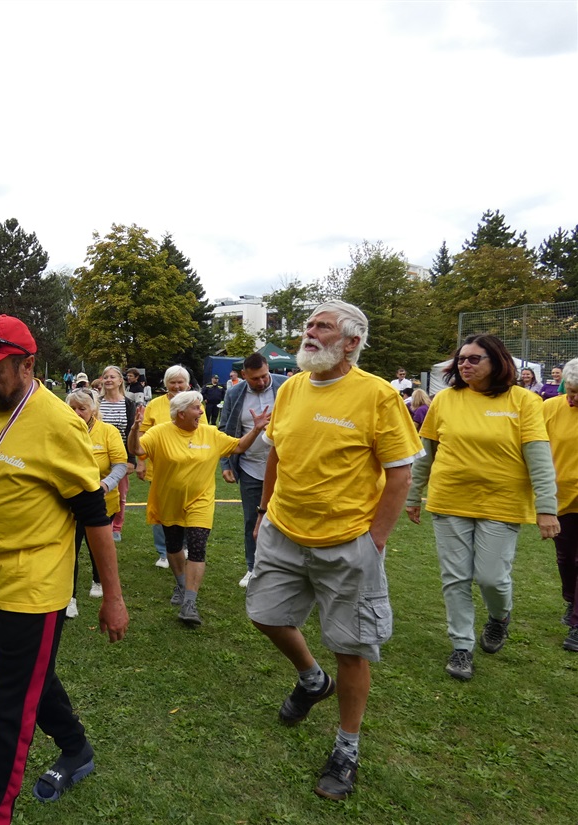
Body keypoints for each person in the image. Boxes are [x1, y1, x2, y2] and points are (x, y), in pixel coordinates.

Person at [0, 314, 128, 825]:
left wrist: (114, 597)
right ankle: (76, 747)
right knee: (32, 676)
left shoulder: (60, 424)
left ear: (28, 365)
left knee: (10, 704)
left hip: (36, 586)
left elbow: (93, 515)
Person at [247, 300, 422, 800]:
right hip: (283, 531)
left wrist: (375, 540)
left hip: (348, 543)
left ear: (351, 342)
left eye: (322, 326)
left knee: (351, 648)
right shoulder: (291, 388)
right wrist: (264, 511)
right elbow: (277, 453)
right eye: (308, 324)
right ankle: (311, 679)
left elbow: (400, 473)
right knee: (264, 615)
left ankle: (347, 747)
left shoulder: (378, 396)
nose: (309, 332)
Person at [408, 335, 559, 681]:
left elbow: (539, 458)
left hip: (502, 503)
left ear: (497, 362)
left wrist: (547, 508)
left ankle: (499, 617)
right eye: (461, 359)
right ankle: (462, 646)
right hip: (449, 499)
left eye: (474, 359)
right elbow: (425, 454)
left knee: (492, 577)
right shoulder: (445, 400)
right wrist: (414, 495)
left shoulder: (523, 400)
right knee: (455, 578)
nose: (465, 364)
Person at [129, 390, 269, 625]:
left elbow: (237, 446)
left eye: (201, 407)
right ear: (181, 413)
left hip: (201, 501)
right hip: (169, 501)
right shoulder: (160, 432)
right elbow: (137, 450)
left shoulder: (210, 433)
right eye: (196, 408)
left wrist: (255, 429)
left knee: (197, 546)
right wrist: (135, 428)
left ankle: (189, 604)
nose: (202, 412)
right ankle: (181, 584)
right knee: (174, 545)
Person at [219, 353, 288, 587]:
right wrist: (226, 463)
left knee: (286, 518)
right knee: (252, 519)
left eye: (264, 376)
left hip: (285, 467)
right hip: (250, 466)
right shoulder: (234, 393)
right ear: (244, 375)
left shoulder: (286, 386)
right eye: (255, 378)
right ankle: (253, 567)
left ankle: (283, 568)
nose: (261, 381)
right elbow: (225, 429)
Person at [65, 388, 127, 617]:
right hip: (69, 502)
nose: (77, 413)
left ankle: (98, 579)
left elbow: (120, 464)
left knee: (97, 545)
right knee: (70, 549)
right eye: (72, 408)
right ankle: (70, 598)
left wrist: (105, 485)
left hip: (102, 501)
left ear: (93, 409)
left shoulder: (108, 431)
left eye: (82, 408)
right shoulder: (62, 431)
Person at [137, 364, 196, 569]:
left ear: (187, 384)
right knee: (160, 510)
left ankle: (184, 546)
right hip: (159, 469)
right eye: (172, 382)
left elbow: (203, 431)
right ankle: (163, 552)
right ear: (166, 384)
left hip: (188, 469)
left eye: (180, 382)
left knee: (187, 508)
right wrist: (141, 460)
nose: (177, 386)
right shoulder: (154, 405)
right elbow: (143, 434)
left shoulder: (195, 403)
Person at [543, 358, 578, 650]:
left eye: (577, 393)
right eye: (570, 390)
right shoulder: (551, 408)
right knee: (566, 558)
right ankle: (570, 599)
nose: (572, 398)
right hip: (561, 497)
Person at [98, 365, 137, 542]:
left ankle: (116, 527)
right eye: (106, 377)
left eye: (112, 377)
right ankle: (100, 522)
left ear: (120, 380)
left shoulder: (128, 403)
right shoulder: (97, 402)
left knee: (120, 493)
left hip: (120, 456)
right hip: (99, 454)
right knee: (99, 490)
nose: (108, 380)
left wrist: (131, 459)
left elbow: (131, 432)